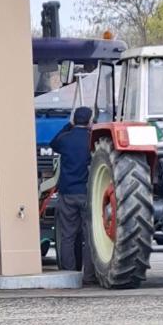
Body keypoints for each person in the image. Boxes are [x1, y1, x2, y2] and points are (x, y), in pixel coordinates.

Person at [49, 106, 96, 284]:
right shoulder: (92, 140)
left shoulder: (66, 139)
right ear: (90, 121)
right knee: (89, 236)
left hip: (67, 193)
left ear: (75, 120)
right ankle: (90, 276)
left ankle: (69, 276)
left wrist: (68, 126)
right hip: (86, 194)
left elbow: (53, 143)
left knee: (67, 236)